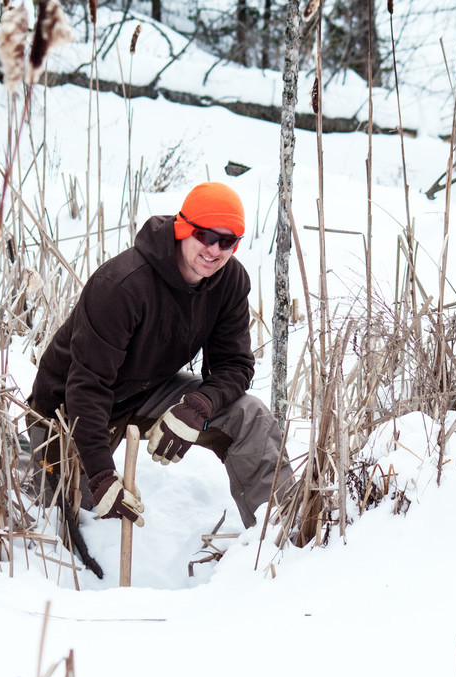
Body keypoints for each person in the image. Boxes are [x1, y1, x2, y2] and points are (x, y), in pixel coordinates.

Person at [27, 181, 292, 531]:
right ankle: (22, 458)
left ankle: (281, 538)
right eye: (205, 235)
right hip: (68, 409)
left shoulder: (229, 281)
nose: (214, 249)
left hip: (144, 392)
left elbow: (234, 366)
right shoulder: (121, 285)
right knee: (65, 520)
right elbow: (86, 386)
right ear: (183, 228)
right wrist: (102, 475)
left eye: (227, 241)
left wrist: (197, 407)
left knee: (249, 415)